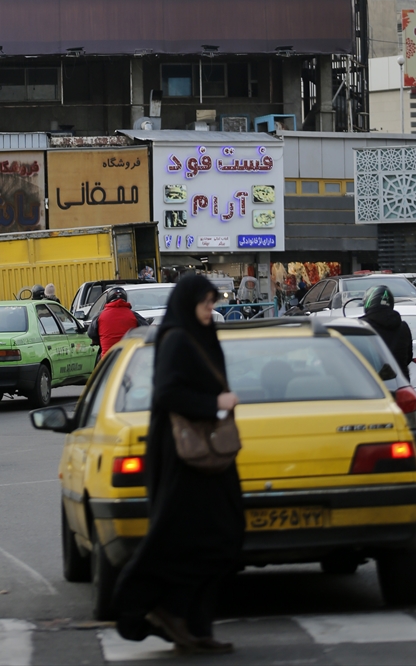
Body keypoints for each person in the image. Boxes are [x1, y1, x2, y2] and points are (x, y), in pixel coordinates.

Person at [113, 273, 244, 654]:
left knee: (223, 535)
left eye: (212, 303)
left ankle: (193, 622)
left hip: (211, 454)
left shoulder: (202, 335)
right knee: (183, 539)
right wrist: (214, 404)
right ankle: (159, 608)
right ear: (189, 303)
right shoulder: (175, 339)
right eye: (205, 303)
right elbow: (168, 392)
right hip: (181, 457)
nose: (210, 309)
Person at [360, 286, 414, 379]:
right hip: (401, 383)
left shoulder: (361, 326)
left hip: (371, 384)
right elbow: (408, 357)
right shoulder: (403, 327)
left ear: (368, 302)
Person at [97, 287, 140, 355]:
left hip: (107, 359)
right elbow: (145, 330)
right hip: (129, 357)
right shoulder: (133, 315)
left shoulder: (100, 315)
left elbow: (91, 333)